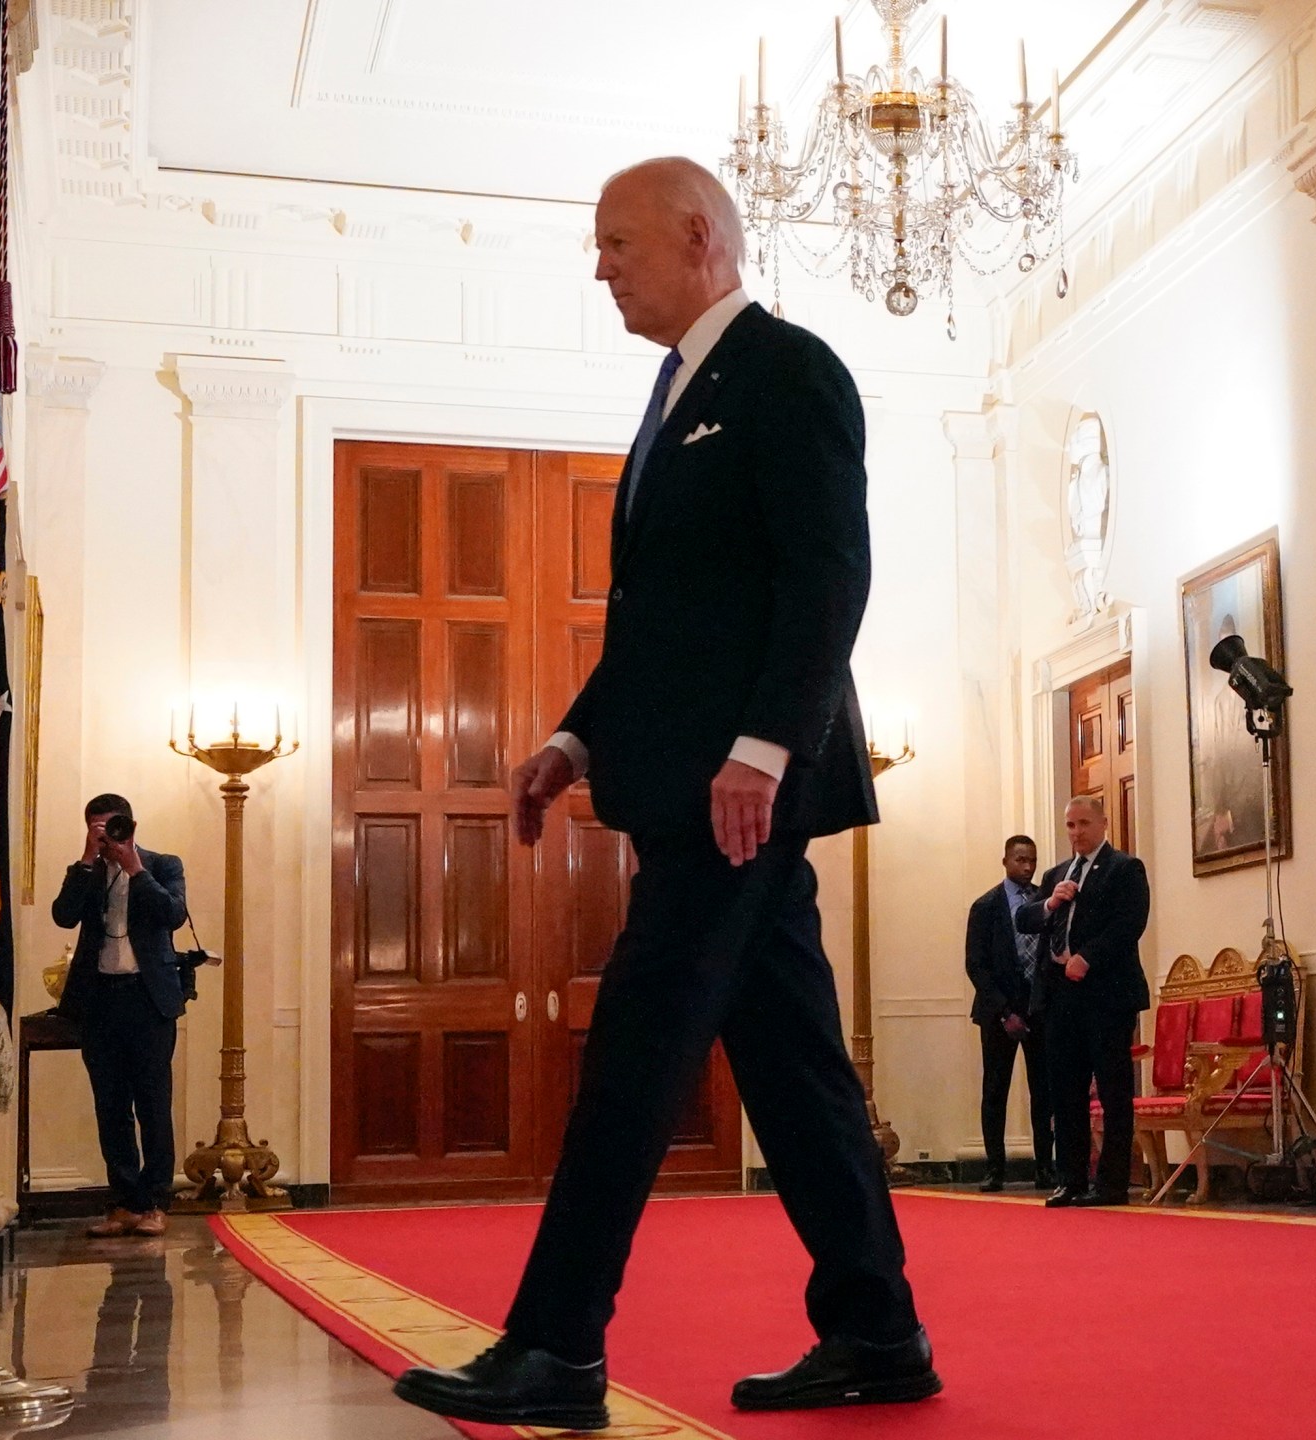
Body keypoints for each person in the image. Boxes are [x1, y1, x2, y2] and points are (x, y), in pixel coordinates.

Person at [392, 156, 933, 1434]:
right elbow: (658, 623)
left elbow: (827, 576)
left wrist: (760, 751)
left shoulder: (788, 370)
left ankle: (557, 1347)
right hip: (694, 784)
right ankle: (877, 1330)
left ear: (698, 236)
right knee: (797, 1071)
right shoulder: (671, 393)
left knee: (634, 1052)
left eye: (614, 243)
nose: (599, 267)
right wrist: (575, 743)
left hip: (733, 799)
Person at [50, 792, 191, 1239]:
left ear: (131, 826)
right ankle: (126, 1202)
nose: (108, 836)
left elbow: (173, 914)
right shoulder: (88, 873)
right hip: (100, 1001)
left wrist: (134, 868)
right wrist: (88, 859)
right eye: (98, 828)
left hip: (148, 1001)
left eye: (114, 827)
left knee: (152, 1104)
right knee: (110, 1107)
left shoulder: (163, 864)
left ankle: (156, 1203)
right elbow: (62, 916)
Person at [1016, 795, 1151, 1206]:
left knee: (1112, 1090)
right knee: (1065, 1091)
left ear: (1103, 824)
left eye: (1084, 824)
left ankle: (1111, 1184)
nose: (1076, 832)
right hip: (1060, 997)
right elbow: (1024, 920)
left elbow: (1130, 923)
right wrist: (1051, 902)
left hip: (1106, 995)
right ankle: (1070, 1180)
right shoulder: (1057, 874)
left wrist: (1087, 958)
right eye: (1070, 825)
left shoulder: (1124, 868)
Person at [965, 835, 1053, 1192]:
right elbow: (975, 965)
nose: (1028, 867)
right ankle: (994, 1168)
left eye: (1032, 860)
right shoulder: (986, 906)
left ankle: (1045, 1168)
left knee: (1043, 1092)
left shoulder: (1044, 902)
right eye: (1020, 860)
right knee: (995, 1091)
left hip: (1039, 1009)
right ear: (1005, 861)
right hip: (999, 1013)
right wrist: (1004, 1012)